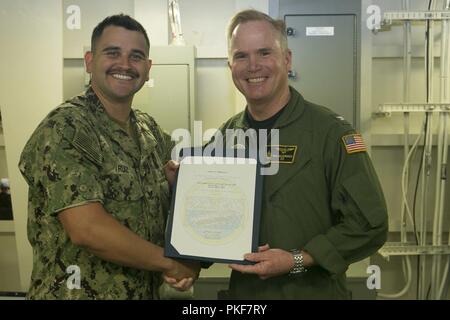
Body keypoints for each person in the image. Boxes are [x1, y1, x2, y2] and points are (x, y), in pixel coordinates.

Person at [18, 14, 199, 299]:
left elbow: (179, 188)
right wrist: (173, 264)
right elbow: (88, 229)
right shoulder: (66, 127)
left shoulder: (150, 131)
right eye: (113, 53)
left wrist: (185, 187)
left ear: (148, 68)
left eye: (136, 56)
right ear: (90, 61)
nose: (125, 65)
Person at [212, 9, 388, 299]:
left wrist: (298, 258)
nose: (253, 66)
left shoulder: (331, 134)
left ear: (287, 59)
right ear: (230, 65)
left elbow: (371, 224)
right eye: (241, 56)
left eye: (264, 52)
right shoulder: (225, 136)